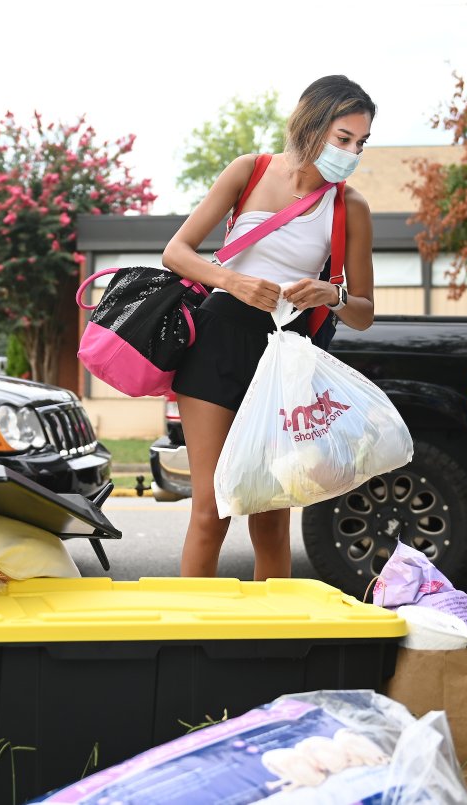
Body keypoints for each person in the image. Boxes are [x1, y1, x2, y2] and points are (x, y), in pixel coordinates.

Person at [162, 75, 377, 579]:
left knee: (271, 514)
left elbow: (364, 312)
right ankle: (189, 643)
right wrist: (231, 281)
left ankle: (271, 649)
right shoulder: (250, 170)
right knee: (211, 510)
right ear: (311, 124)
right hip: (217, 340)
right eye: (342, 138)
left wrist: (333, 293)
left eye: (360, 143)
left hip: (286, 356)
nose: (351, 152)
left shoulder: (352, 206)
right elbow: (176, 252)